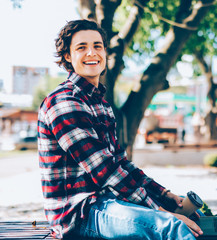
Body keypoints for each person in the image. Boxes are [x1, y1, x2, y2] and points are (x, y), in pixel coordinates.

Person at [37, 19, 202, 240]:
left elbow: (121, 164)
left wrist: (164, 194)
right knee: (171, 226)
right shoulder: (63, 102)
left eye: (97, 46)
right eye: (81, 47)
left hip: (108, 200)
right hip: (79, 213)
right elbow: (104, 170)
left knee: (193, 213)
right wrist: (160, 211)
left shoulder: (101, 105)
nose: (91, 53)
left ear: (105, 52)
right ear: (67, 56)